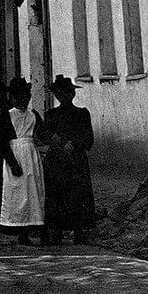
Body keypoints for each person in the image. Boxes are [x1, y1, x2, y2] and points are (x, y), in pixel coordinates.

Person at [43, 75, 96, 244]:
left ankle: (79, 231)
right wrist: (60, 143)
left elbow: (89, 138)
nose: (63, 96)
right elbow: (46, 136)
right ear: (56, 96)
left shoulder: (81, 114)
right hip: (57, 161)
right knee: (58, 194)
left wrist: (74, 144)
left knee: (78, 194)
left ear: (72, 95)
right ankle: (56, 231)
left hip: (76, 160)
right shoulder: (51, 115)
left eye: (67, 93)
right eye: (59, 94)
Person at [0, 77, 46, 245]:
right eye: (18, 97)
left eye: (26, 96)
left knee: (33, 192)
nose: (23, 100)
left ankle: (34, 227)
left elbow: (43, 133)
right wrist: (12, 163)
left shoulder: (33, 115)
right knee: (18, 193)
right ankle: (21, 229)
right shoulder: (8, 116)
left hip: (31, 155)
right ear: (12, 98)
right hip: (16, 153)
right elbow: (2, 143)